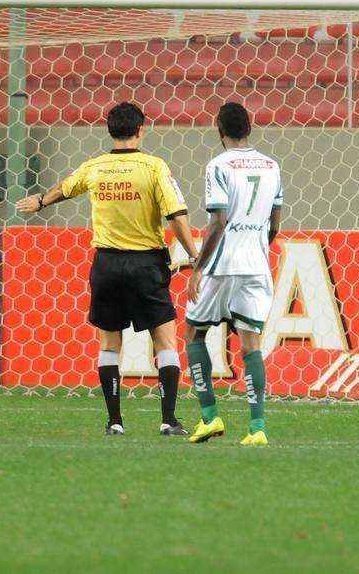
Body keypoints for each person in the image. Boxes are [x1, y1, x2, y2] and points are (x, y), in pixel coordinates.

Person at [16, 101, 199, 437]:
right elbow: (176, 215)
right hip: (147, 263)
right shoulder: (154, 167)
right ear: (141, 129)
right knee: (165, 341)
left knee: (109, 344)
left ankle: (115, 421)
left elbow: (65, 188)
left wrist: (41, 201)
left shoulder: (95, 167)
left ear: (110, 130)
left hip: (108, 264)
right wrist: (194, 254)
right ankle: (168, 420)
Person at [184, 102, 283, 446]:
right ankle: (257, 429)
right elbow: (275, 221)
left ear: (218, 128)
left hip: (222, 266)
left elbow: (218, 222)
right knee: (251, 343)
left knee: (195, 334)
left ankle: (210, 418)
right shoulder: (272, 166)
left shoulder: (218, 166)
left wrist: (198, 269)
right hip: (257, 265)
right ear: (250, 128)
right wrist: (257, 248)